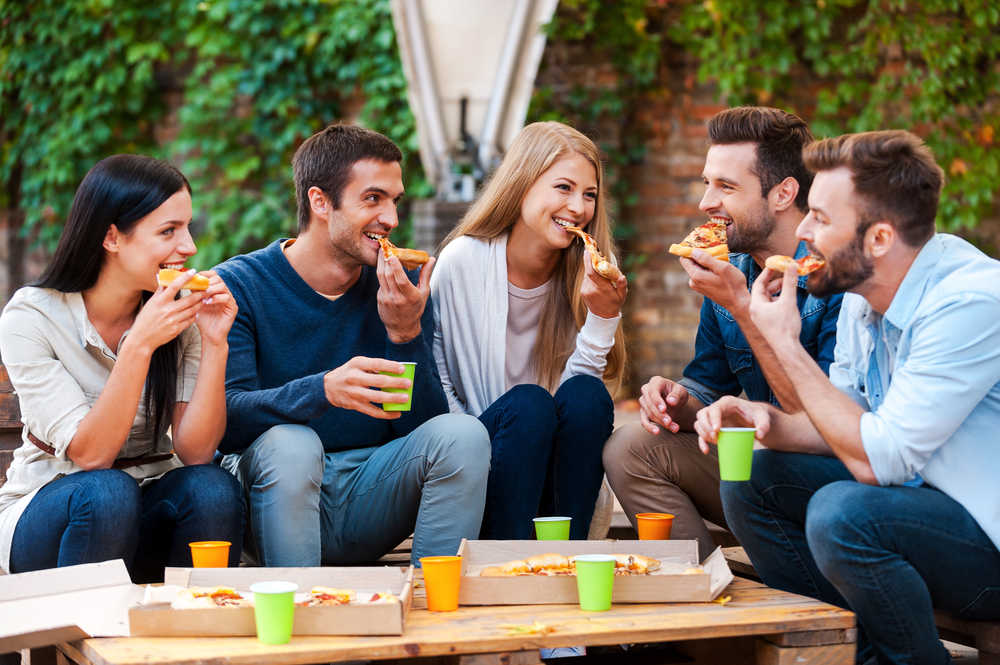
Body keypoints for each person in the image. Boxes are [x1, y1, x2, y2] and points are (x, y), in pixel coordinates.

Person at [696, 130, 1000, 664]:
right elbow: (840, 419)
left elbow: (878, 461)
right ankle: (853, 656)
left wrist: (784, 343)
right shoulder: (864, 288)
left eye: (821, 218)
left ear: (879, 238)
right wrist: (761, 418)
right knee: (749, 478)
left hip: (987, 541)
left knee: (844, 513)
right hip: (922, 504)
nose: (805, 232)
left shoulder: (969, 303)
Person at [215, 123, 490, 567]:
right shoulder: (239, 285)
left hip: (369, 488)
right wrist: (322, 390)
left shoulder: (399, 290)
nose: (392, 219)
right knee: (292, 444)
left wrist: (405, 333)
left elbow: (419, 426)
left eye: (394, 201)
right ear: (320, 202)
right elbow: (227, 422)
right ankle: (297, 613)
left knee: (463, 435)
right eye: (372, 198)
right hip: (270, 491)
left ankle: (432, 612)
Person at [603, 106, 842, 559]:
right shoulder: (732, 270)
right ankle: (704, 592)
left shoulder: (836, 279)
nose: (706, 203)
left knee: (753, 466)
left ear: (784, 193)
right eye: (706, 183)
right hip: (752, 465)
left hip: (827, 480)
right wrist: (675, 399)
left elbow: (825, 426)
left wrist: (741, 306)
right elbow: (709, 388)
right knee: (631, 446)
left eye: (726, 186)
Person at [0, 154, 243, 582]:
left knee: (212, 487)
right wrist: (140, 344)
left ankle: (196, 633)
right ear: (111, 238)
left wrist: (215, 341)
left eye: (187, 228)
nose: (189, 247)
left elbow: (196, 451)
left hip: (145, 507)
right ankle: (88, 646)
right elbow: (91, 455)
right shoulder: (32, 317)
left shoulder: (174, 314)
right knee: (107, 493)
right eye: (168, 231)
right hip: (51, 515)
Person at [431, 121, 627, 540]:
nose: (578, 207)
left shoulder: (590, 270)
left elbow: (579, 409)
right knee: (528, 405)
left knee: (586, 395)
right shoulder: (462, 261)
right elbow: (439, 378)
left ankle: (568, 554)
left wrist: (603, 317)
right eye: (563, 188)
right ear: (522, 184)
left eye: (589, 194)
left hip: (559, 476)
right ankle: (508, 555)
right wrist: (465, 460)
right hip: (487, 465)